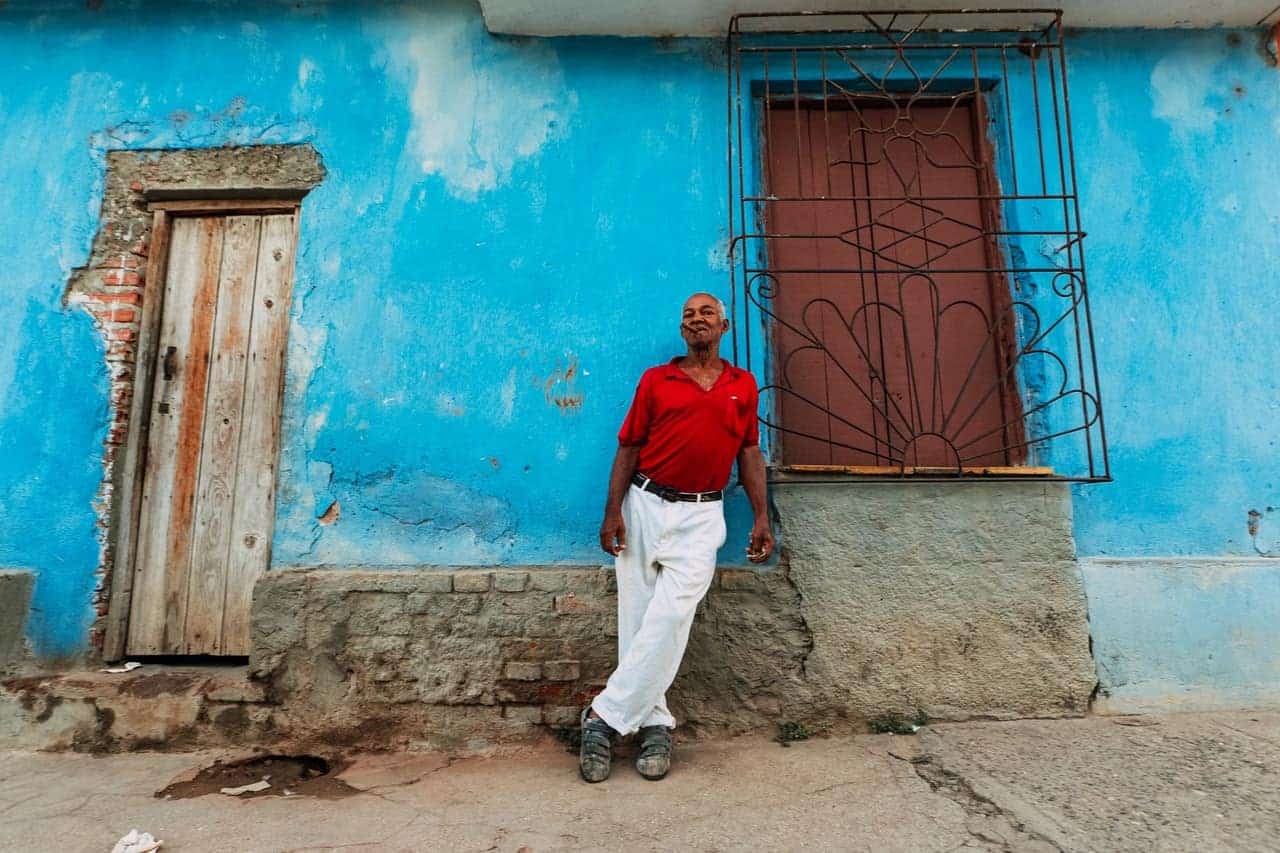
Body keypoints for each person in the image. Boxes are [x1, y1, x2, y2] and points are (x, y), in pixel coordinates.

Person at [580, 292, 775, 783]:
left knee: (671, 616)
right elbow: (629, 447)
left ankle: (602, 719)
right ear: (682, 329)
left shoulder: (742, 386)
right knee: (638, 619)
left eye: (706, 312)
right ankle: (655, 727)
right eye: (688, 314)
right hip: (643, 505)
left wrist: (760, 516)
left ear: (724, 326)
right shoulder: (656, 380)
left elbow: (749, 453)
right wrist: (612, 513)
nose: (696, 319)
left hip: (702, 513)